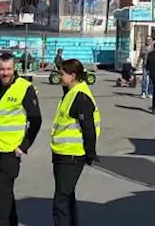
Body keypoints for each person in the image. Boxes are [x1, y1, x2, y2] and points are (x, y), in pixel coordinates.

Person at [0, 52, 43, 226]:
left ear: (14, 68)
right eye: (2, 69)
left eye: (8, 69)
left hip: (11, 151)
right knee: (4, 192)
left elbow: (36, 120)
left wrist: (24, 146)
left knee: (1, 193)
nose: (5, 73)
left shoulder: (24, 87)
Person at [51, 59, 100, 226]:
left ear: (72, 76)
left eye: (62, 74)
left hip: (72, 155)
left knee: (61, 202)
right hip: (63, 153)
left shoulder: (80, 97)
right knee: (67, 197)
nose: (60, 77)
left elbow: (89, 128)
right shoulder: (71, 92)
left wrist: (90, 153)